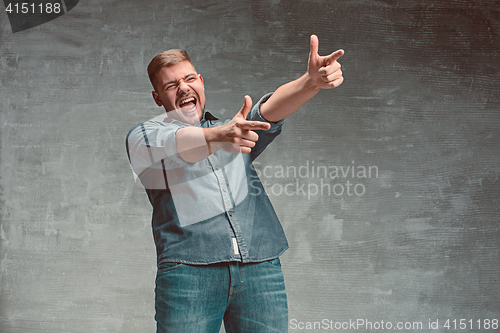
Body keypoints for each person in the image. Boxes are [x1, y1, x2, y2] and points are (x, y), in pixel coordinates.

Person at [126, 35, 344, 333]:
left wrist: (310, 83)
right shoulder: (145, 137)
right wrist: (220, 136)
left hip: (260, 267)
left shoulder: (233, 130)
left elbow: (269, 113)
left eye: (190, 78)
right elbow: (180, 143)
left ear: (201, 81)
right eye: (171, 85)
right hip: (189, 274)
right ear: (157, 98)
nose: (184, 88)